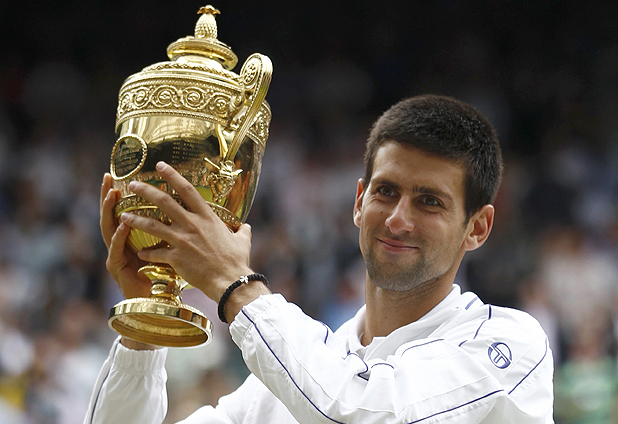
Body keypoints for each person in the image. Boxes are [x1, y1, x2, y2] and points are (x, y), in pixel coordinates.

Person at [85, 95, 554, 423]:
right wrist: (144, 331)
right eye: (386, 192)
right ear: (357, 201)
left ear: (478, 227)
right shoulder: (286, 383)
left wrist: (237, 285)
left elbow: (362, 411)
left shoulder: (508, 346)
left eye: (429, 201)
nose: (397, 220)